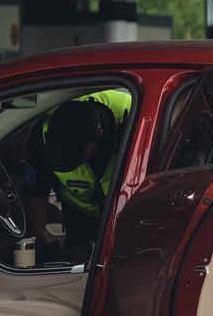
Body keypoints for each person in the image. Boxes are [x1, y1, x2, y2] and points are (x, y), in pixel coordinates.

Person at [22, 88, 133, 258]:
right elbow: (36, 191)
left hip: (128, 219)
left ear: (98, 136)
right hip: (79, 217)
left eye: (74, 157)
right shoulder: (42, 132)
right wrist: (37, 242)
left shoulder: (132, 116)